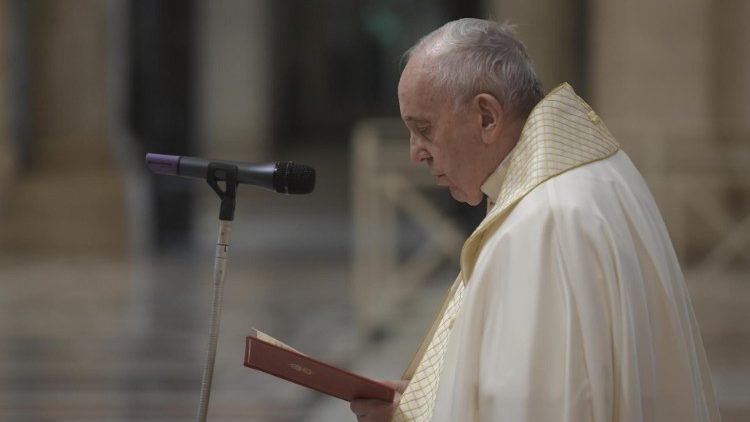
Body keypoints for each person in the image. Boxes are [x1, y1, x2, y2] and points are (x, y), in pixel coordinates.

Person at [350, 18, 721, 422]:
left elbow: (540, 407)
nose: (415, 153)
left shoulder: (544, 224)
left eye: (424, 129)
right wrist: (422, 407)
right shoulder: (596, 172)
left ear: (487, 117)